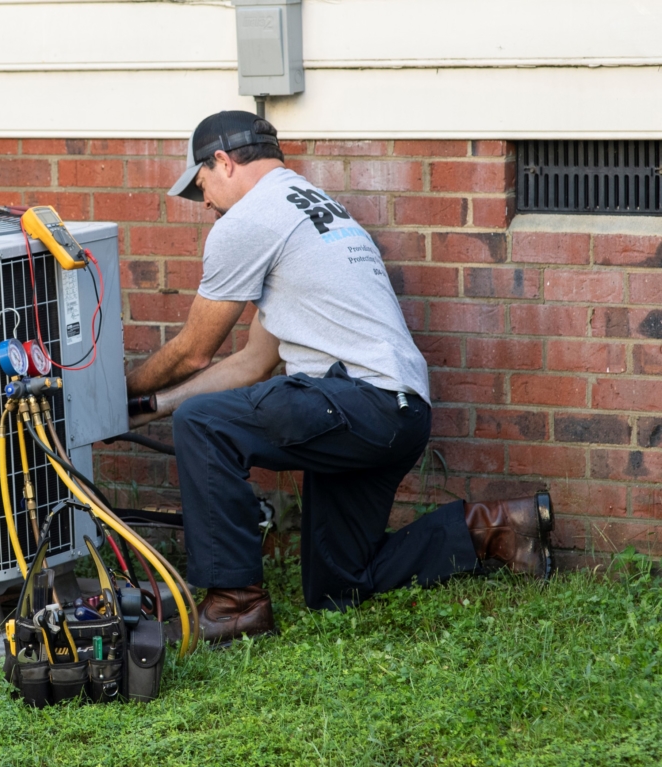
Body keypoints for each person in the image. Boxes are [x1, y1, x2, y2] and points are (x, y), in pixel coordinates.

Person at [125, 111, 555, 644]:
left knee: (203, 425)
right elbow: (252, 364)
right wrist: (153, 406)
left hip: (356, 402)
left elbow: (193, 352)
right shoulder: (312, 209)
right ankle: (496, 528)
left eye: (202, 186)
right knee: (337, 584)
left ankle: (235, 605)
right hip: (398, 413)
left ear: (223, 161)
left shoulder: (248, 221)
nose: (206, 202)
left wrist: (119, 391)